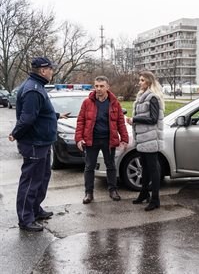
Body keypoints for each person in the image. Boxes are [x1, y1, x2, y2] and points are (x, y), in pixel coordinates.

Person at [9, 57, 69, 232]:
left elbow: (40, 113)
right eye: (51, 68)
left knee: (42, 178)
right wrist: (15, 133)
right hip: (34, 143)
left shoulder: (38, 87)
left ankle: (35, 209)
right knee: (31, 181)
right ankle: (26, 219)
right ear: (43, 70)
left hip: (42, 142)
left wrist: (56, 116)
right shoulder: (33, 90)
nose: (52, 71)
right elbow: (27, 118)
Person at [75, 76, 129, 204]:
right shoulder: (87, 102)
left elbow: (121, 122)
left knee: (110, 166)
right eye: (96, 86)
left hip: (108, 140)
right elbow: (81, 121)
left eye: (101, 86)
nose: (98, 89)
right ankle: (89, 193)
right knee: (89, 167)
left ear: (107, 87)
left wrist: (124, 138)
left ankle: (113, 190)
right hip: (91, 140)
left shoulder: (114, 103)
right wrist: (78, 139)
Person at [126, 70, 164, 211]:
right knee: (145, 168)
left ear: (148, 82)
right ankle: (144, 194)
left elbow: (153, 119)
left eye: (142, 80)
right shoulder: (142, 96)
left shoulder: (152, 98)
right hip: (142, 139)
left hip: (151, 139)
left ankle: (155, 199)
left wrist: (135, 119)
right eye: (140, 80)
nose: (139, 82)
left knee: (153, 170)